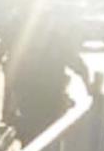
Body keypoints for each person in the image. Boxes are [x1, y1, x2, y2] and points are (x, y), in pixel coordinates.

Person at [5, 12, 92, 143]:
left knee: (36, 138)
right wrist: (89, 89)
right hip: (43, 101)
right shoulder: (56, 42)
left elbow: (10, 77)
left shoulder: (27, 42)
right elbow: (80, 67)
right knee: (47, 139)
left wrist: (8, 108)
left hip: (37, 101)